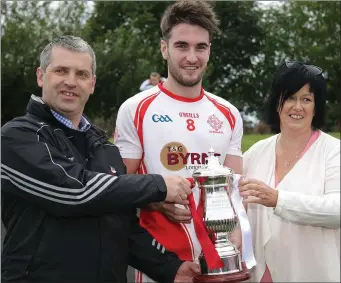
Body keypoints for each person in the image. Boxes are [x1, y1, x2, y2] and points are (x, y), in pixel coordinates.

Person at [1, 35, 200, 283]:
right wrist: (157, 185)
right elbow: (74, 191)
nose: (71, 82)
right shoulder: (17, 136)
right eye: (61, 70)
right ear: (41, 76)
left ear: (92, 84)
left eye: (82, 74)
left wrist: (171, 268)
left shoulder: (105, 149)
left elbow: (122, 227)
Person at [114, 1, 255, 282]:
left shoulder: (227, 113)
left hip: (219, 263)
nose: (192, 57)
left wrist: (236, 241)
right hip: (161, 265)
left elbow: (234, 189)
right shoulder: (136, 109)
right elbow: (119, 188)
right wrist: (153, 201)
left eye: (200, 47)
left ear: (209, 50)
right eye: (182, 46)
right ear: (164, 48)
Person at [239, 61, 340, 282]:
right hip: (259, 275)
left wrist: (279, 200)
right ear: (277, 103)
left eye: (307, 99)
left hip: (312, 273)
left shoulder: (333, 152)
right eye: (290, 97)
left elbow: (337, 211)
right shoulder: (256, 152)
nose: (297, 106)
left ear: (316, 107)